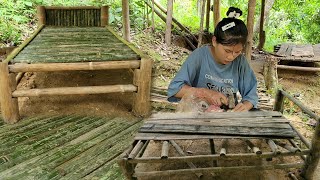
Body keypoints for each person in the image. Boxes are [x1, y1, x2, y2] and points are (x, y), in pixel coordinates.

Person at [167, 7, 258, 112]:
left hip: (226, 117)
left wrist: (246, 105)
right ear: (214, 41)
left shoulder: (240, 62)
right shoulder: (199, 56)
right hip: (198, 115)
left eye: (237, 52)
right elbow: (175, 89)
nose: (231, 57)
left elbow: (252, 95)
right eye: (227, 51)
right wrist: (205, 93)